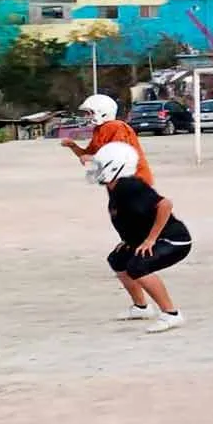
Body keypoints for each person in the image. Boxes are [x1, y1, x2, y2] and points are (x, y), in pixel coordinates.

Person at [63, 94, 166, 319]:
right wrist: (73, 147)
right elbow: (88, 156)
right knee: (119, 257)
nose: (88, 117)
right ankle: (141, 307)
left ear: (103, 111)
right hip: (117, 188)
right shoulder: (100, 131)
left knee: (131, 257)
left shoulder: (117, 127)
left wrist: (92, 159)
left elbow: (117, 155)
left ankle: (166, 310)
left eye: (90, 112)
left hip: (133, 183)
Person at [91, 142, 191, 334]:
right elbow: (128, 217)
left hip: (174, 240)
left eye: (100, 165)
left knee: (138, 266)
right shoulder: (113, 186)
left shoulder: (130, 186)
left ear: (115, 167)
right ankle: (141, 308)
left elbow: (165, 205)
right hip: (147, 238)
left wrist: (150, 240)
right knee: (118, 260)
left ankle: (172, 314)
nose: (95, 169)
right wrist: (129, 239)